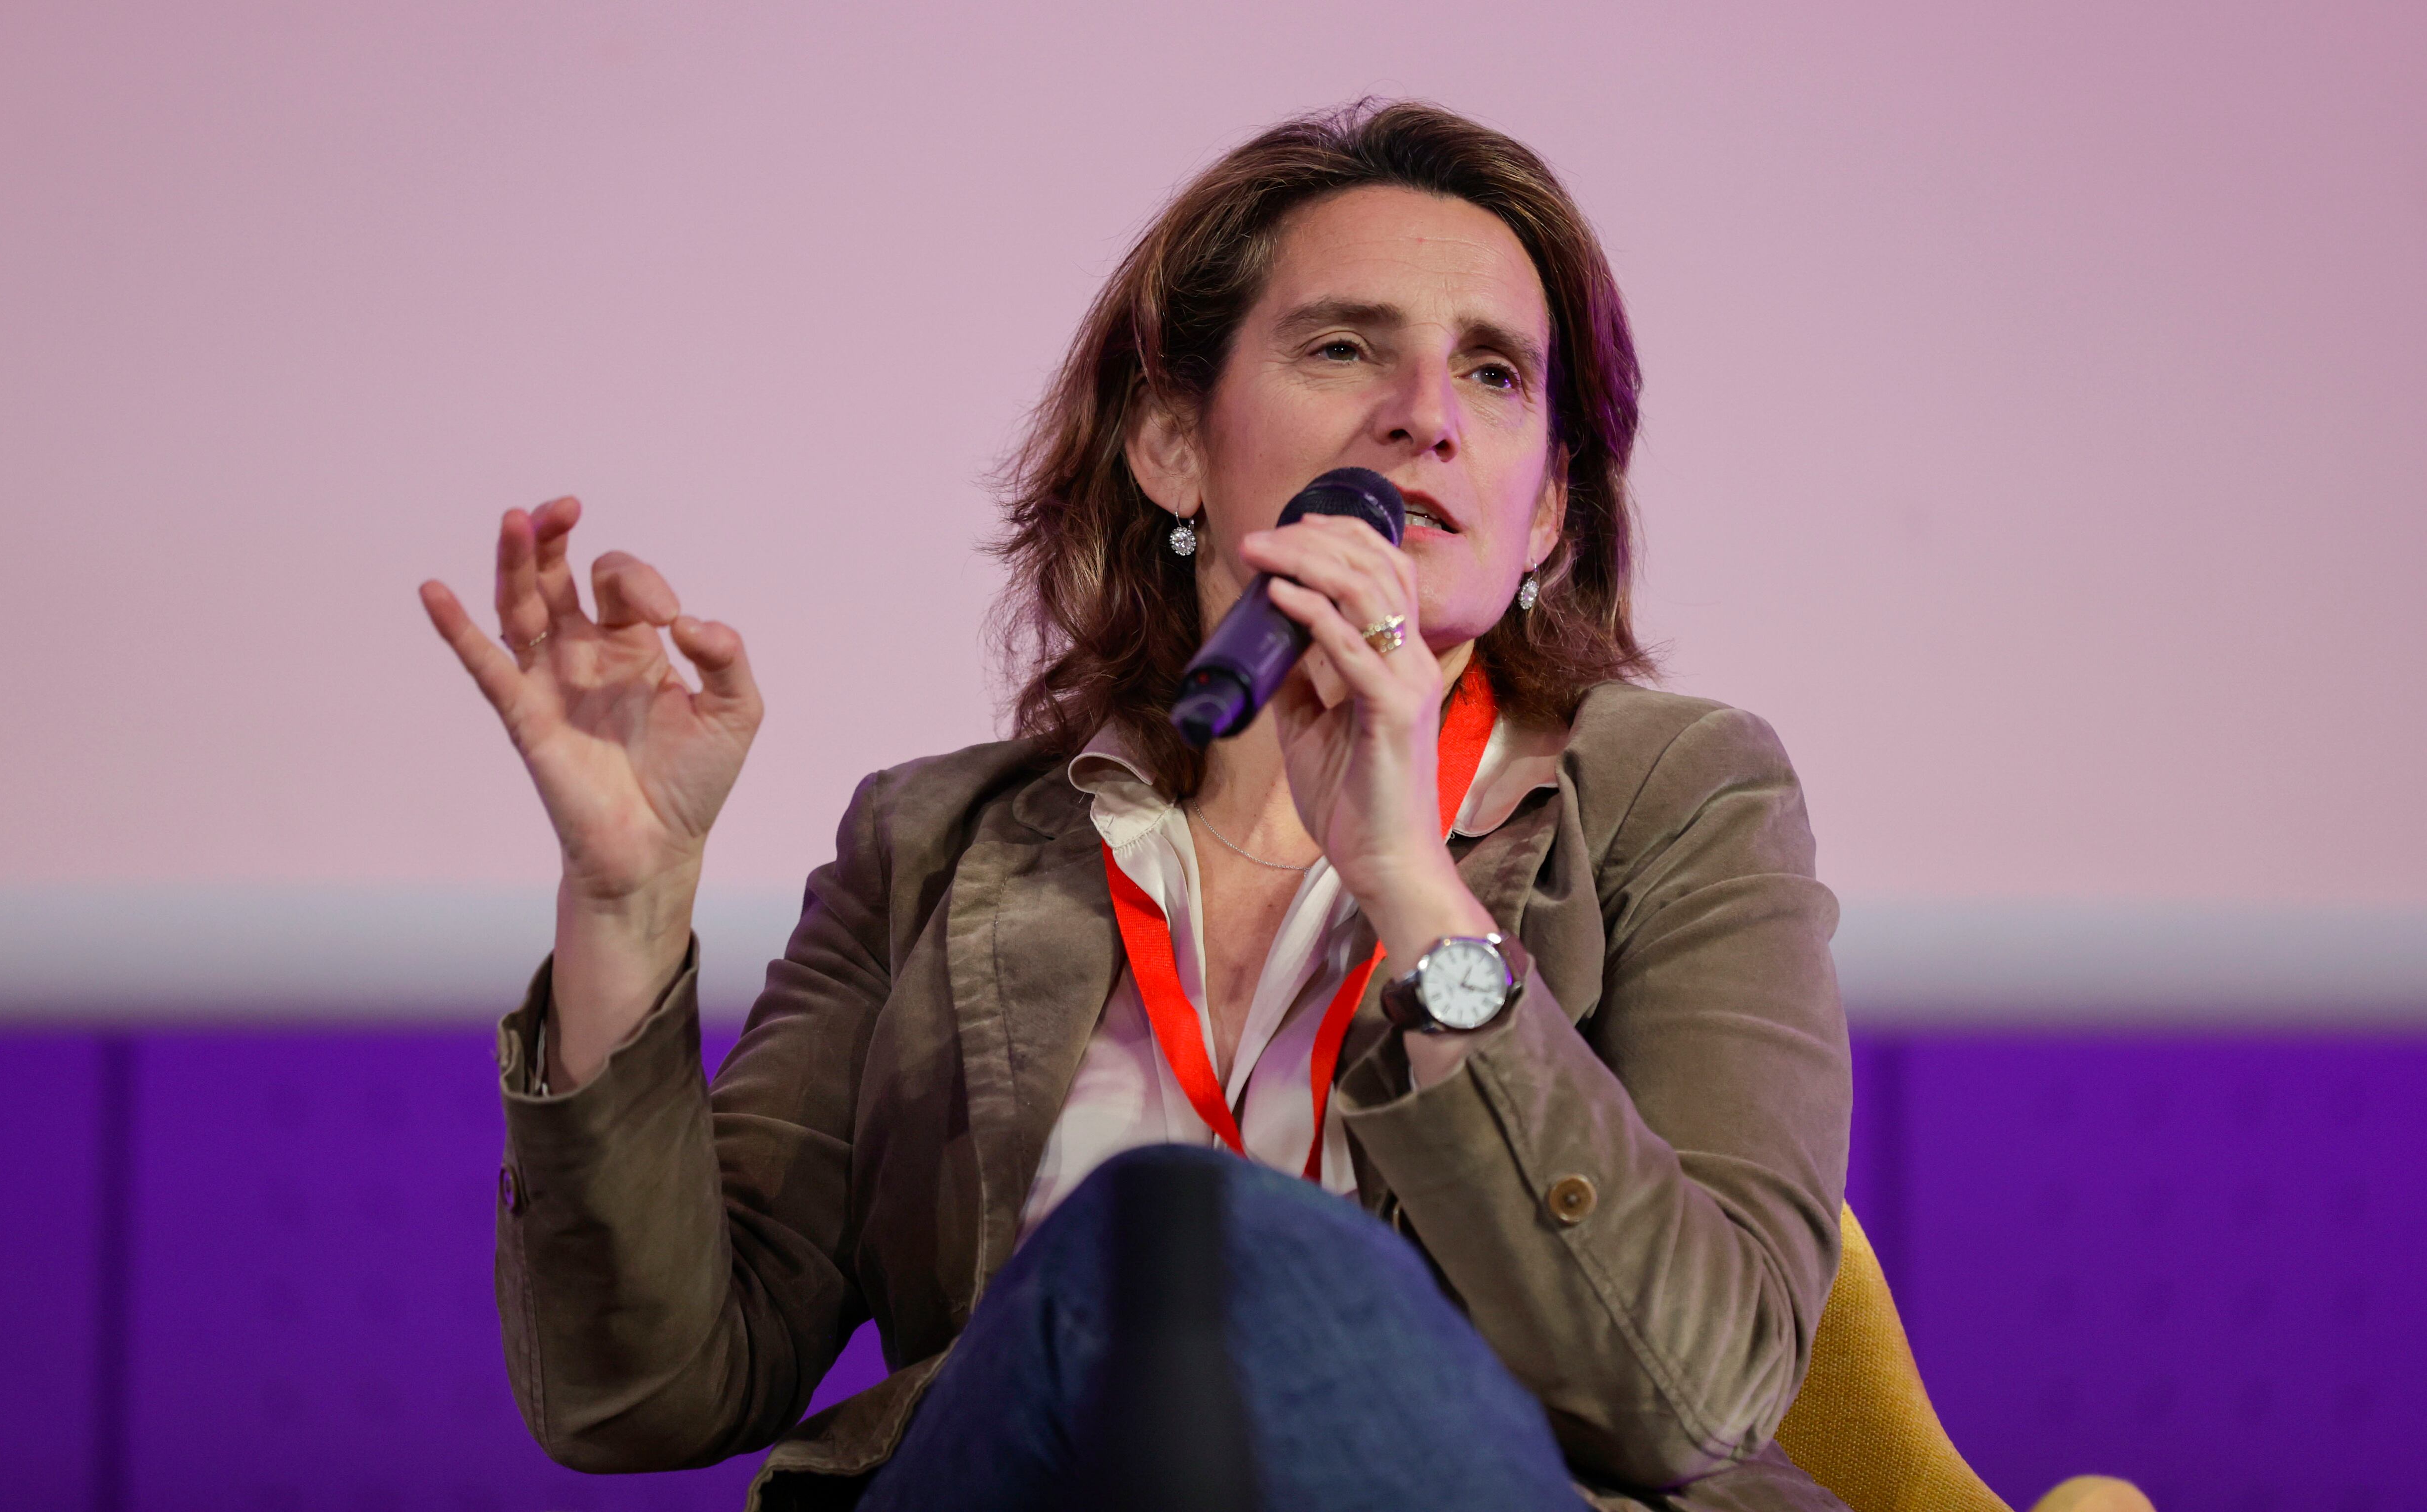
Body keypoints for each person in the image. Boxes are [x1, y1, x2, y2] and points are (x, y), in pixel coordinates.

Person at [419, 101, 1851, 1511]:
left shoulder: (1682, 797)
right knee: (1157, 1235)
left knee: (1199, 1229)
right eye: (1345, 347)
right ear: (1173, 445)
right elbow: (647, 1393)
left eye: (1493, 377)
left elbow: (1694, 1393)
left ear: (1544, 513)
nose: (1423, 417)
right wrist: (625, 900)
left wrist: (1413, 883)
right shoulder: (933, 849)